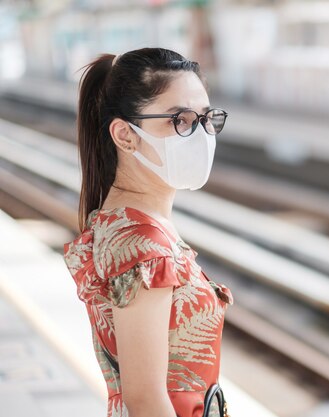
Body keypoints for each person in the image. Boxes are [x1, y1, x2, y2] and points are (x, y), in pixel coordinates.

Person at [63, 47, 234, 417]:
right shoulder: (144, 245)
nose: (200, 134)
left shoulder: (127, 223)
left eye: (207, 118)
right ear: (125, 135)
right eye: (180, 120)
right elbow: (145, 399)